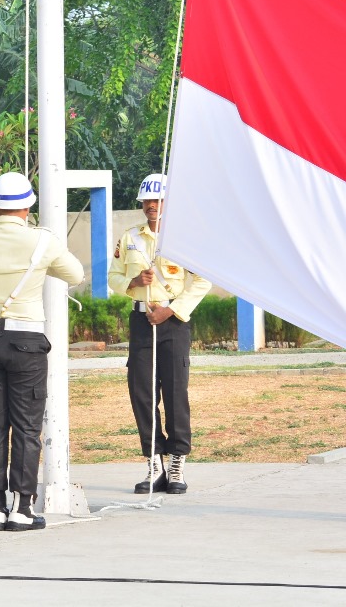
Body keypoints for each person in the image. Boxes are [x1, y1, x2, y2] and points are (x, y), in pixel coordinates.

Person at [0, 172, 84, 532]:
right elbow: (75, 275)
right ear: (28, 206)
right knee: (27, 427)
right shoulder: (43, 241)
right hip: (26, 341)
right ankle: (21, 508)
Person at [108, 173, 211, 495]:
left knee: (176, 393)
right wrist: (133, 282)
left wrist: (173, 309)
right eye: (148, 201)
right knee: (142, 393)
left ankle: (177, 461)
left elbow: (203, 280)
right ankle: (154, 461)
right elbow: (112, 276)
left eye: (159, 201)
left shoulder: (184, 239)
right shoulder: (129, 238)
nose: (153, 206)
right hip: (141, 321)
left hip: (174, 322)